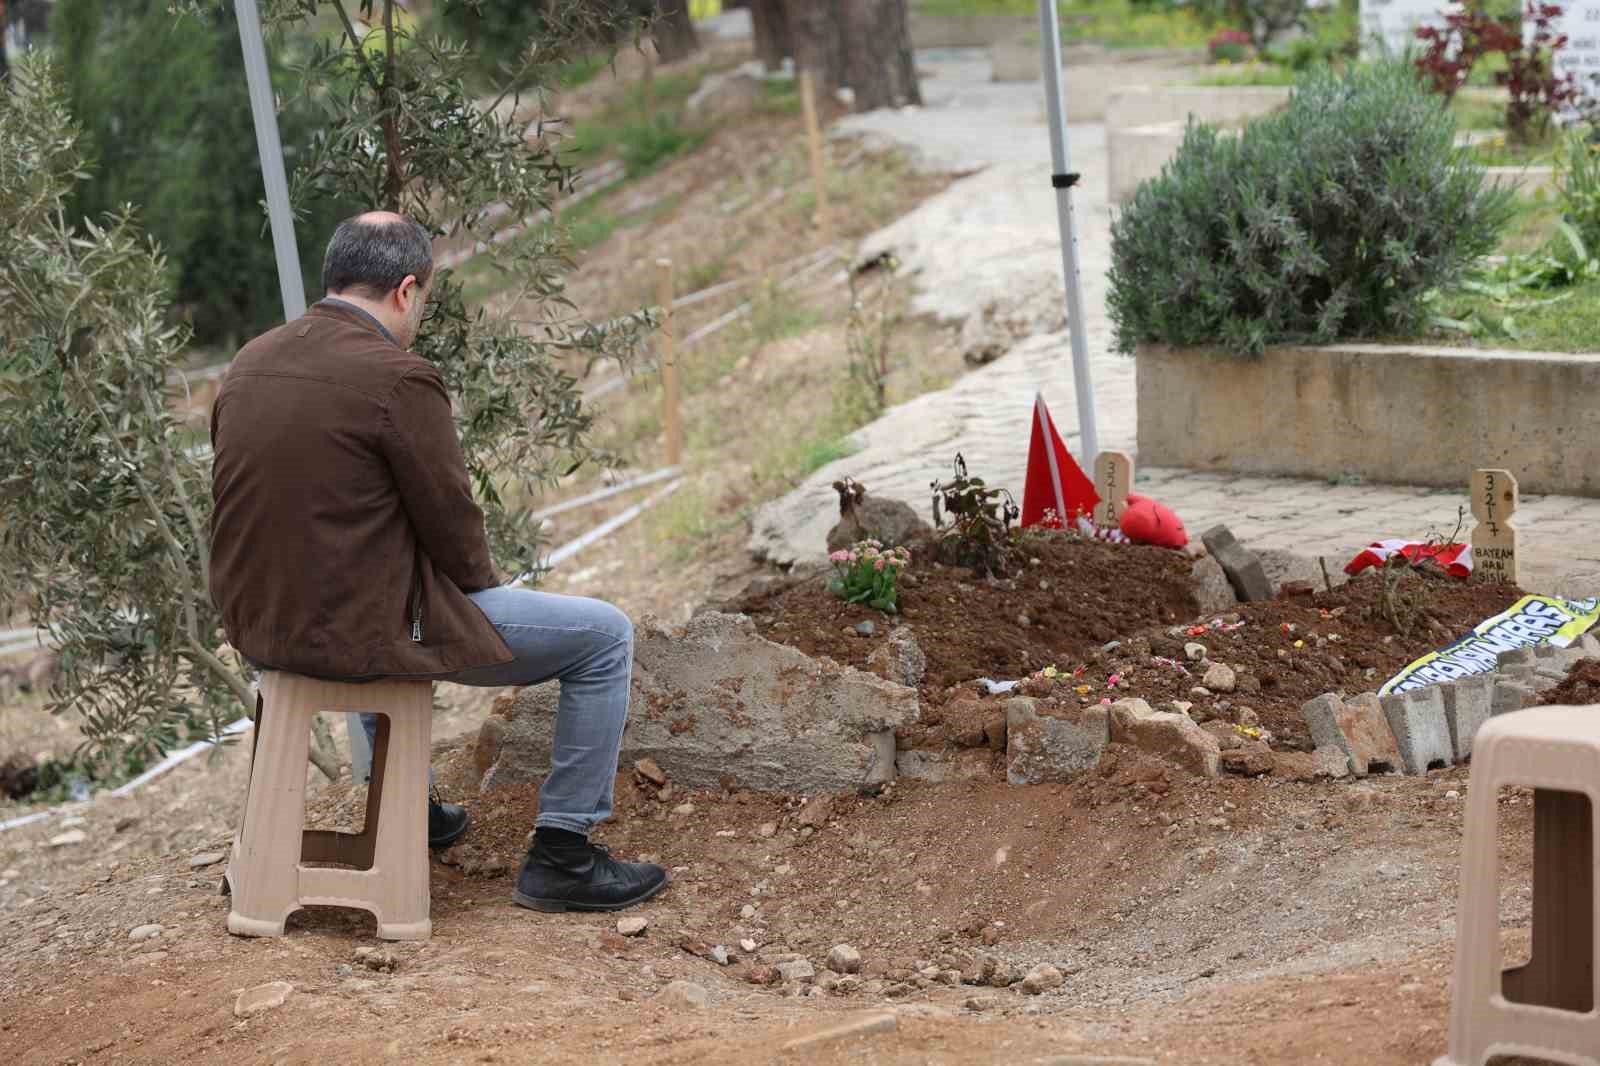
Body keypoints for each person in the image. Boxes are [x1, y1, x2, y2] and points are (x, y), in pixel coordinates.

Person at [209, 211, 666, 913]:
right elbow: (451, 521)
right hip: (361, 633)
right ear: (407, 290)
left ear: (336, 275)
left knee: (376, 592)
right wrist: (482, 592)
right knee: (604, 637)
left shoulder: (250, 363)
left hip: (264, 627)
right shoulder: (398, 377)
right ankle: (563, 855)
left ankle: (409, 814)